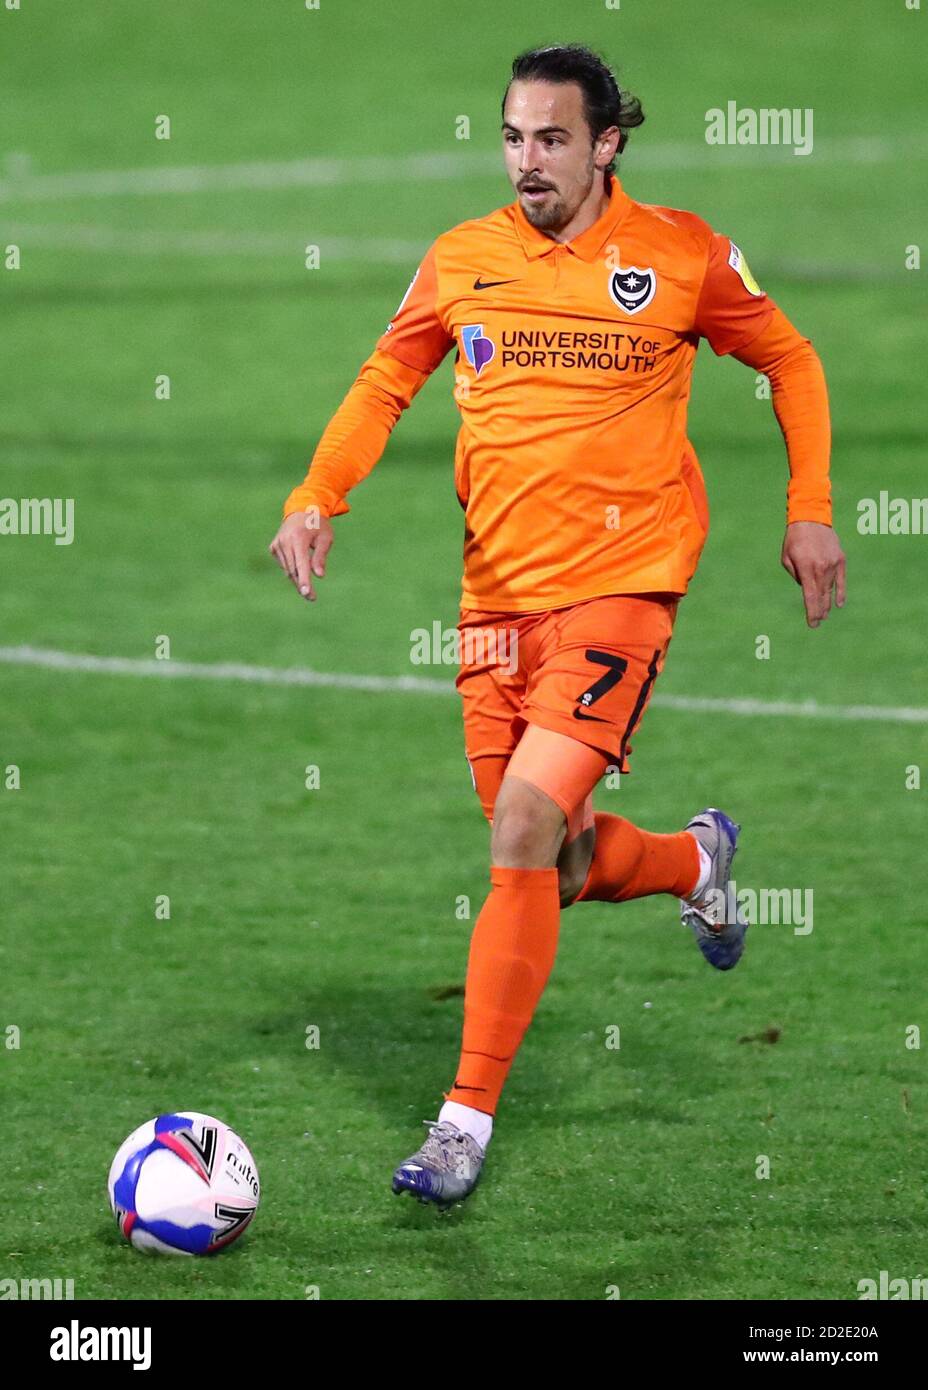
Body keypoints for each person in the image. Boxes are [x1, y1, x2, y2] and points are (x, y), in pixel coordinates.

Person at [270, 44, 846, 1209]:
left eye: (551, 139)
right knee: (549, 849)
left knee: (526, 821)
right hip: (493, 604)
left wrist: (811, 511)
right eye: (513, 138)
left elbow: (787, 356)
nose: (528, 161)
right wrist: (316, 495)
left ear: (606, 143)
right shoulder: (461, 259)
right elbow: (387, 379)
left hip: (624, 588)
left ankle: (460, 1122)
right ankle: (695, 859)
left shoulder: (678, 254)